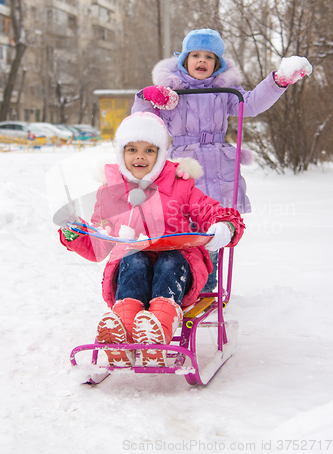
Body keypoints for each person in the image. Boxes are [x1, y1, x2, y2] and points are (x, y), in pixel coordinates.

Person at [131, 28, 312, 290]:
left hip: (218, 168)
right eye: (196, 55)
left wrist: (278, 81)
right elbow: (143, 124)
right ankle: (177, 281)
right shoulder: (172, 92)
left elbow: (249, 103)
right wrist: (147, 98)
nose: (202, 61)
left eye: (209, 56)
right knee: (184, 229)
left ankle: (206, 285)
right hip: (184, 167)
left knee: (213, 230)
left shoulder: (224, 90)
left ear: (217, 63)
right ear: (184, 59)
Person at [59, 112, 245, 367]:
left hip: (179, 270)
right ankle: (123, 332)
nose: (139, 156)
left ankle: (158, 329)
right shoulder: (110, 191)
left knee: (169, 260)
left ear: (160, 154)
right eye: (132, 149)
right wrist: (76, 233)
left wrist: (224, 225)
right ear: (121, 152)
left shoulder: (180, 183)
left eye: (149, 150)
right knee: (133, 259)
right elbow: (99, 244)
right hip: (131, 270)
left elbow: (209, 209)